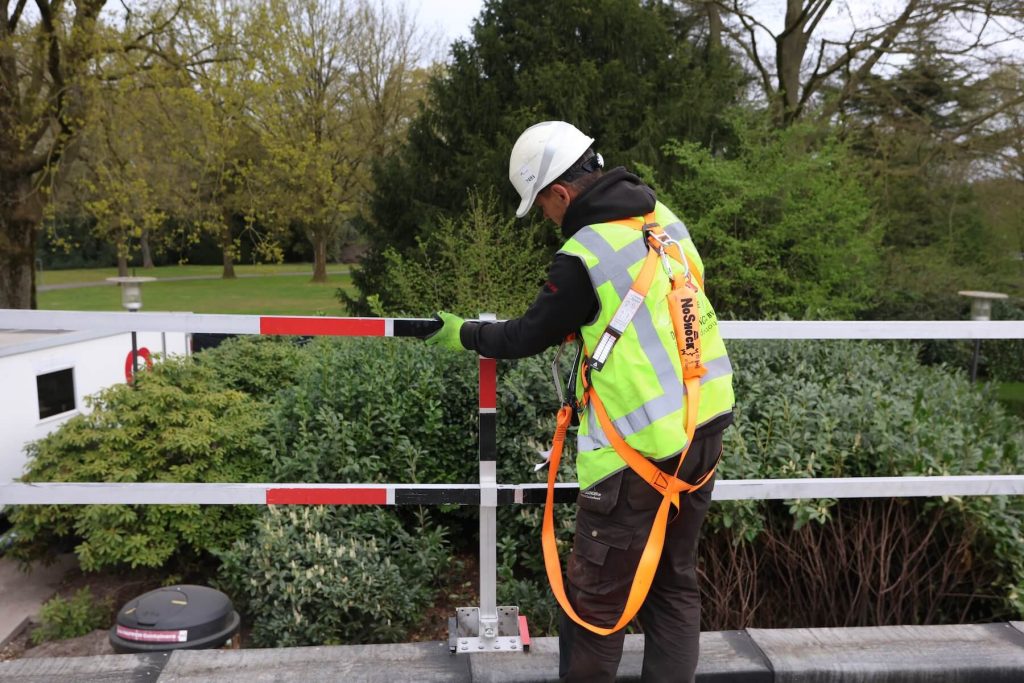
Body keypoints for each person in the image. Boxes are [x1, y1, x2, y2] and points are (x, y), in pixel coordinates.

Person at [425, 121, 734, 682]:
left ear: (561, 193)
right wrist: (595, 327)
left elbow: (523, 336)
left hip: (635, 459)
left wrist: (463, 334)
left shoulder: (583, 253)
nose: (546, 217)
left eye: (542, 205)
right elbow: (673, 309)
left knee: (593, 608)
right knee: (672, 585)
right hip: (703, 428)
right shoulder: (664, 220)